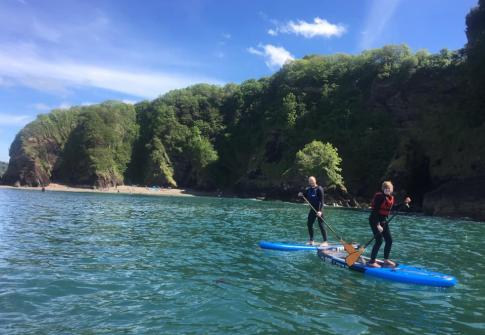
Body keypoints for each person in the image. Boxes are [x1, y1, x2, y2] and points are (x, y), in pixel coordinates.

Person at [367, 181, 411, 268]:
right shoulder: (379, 197)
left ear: (391, 190)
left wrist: (404, 203)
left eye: (389, 189)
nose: (387, 190)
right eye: (386, 188)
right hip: (374, 220)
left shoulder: (390, 197)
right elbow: (375, 211)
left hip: (384, 221)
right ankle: (372, 262)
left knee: (389, 240)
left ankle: (386, 259)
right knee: (379, 240)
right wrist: (377, 225)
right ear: (383, 189)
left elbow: (393, 207)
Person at [298, 176, 328, 246]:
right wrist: (301, 194)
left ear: (315, 181)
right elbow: (304, 195)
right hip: (313, 209)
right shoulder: (309, 189)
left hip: (319, 210)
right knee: (309, 224)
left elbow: (322, 201)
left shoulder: (319, 189)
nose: (311, 182)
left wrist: (320, 211)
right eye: (310, 181)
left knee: (321, 225)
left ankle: (325, 241)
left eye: (312, 181)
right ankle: (312, 240)